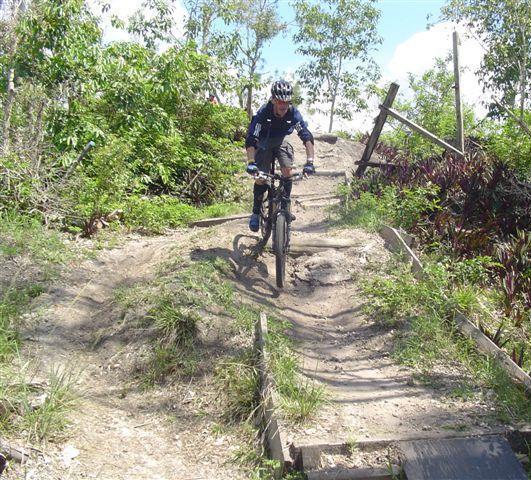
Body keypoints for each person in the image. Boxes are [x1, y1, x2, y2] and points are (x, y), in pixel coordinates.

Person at [245, 80, 315, 232]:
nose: (283, 105)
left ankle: (285, 204)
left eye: (287, 102)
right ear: (274, 100)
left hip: (281, 141)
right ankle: (256, 212)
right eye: (280, 101)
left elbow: (306, 136)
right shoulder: (264, 112)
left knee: (287, 173)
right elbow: (251, 138)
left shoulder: (293, 113)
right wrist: (251, 162)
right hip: (263, 142)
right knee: (260, 178)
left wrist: (310, 162)